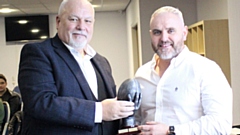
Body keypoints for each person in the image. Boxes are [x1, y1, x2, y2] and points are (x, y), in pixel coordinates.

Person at [18, 0, 135, 134]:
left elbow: (109, 115)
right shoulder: (38, 53)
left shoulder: (102, 62)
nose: (81, 26)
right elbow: (41, 103)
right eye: (74, 19)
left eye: (88, 21)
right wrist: (99, 111)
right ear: (58, 21)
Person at [134, 6, 232, 135]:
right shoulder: (141, 75)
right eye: (157, 32)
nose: (164, 38)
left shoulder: (206, 70)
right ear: (151, 34)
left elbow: (220, 124)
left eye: (171, 31)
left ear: (184, 33)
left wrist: (170, 131)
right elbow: (138, 120)